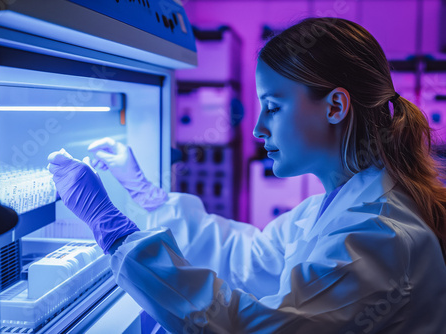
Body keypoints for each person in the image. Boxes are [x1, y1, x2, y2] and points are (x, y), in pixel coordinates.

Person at [47, 17, 446, 333]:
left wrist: (115, 231)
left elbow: (250, 329)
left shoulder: (378, 238)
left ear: (335, 107)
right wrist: (148, 196)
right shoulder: (330, 208)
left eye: (273, 106)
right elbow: (246, 259)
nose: (257, 129)